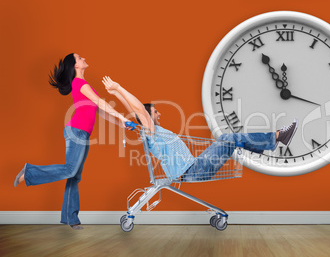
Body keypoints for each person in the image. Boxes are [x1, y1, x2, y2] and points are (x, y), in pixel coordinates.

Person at [13, 54, 132, 230]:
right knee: (70, 170)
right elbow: (100, 102)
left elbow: (100, 111)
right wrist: (122, 116)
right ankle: (29, 172)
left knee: (74, 176)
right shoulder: (79, 83)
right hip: (76, 131)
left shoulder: (85, 86)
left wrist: (121, 123)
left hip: (81, 133)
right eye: (79, 57)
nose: (83, 58)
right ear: (75, 66)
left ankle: (71, 218)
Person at [101, 76, 298, 182]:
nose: (159, 114)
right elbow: (138, 110)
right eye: (156, 112)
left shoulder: (147, 131)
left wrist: (114, 95)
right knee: (229, 137)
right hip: (195, 169)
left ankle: (275, 139)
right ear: (148, 117)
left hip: (195, 166)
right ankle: (278, 137)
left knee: (230, 138)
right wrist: (118, 88)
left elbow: (134, 111)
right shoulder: (150, 131)